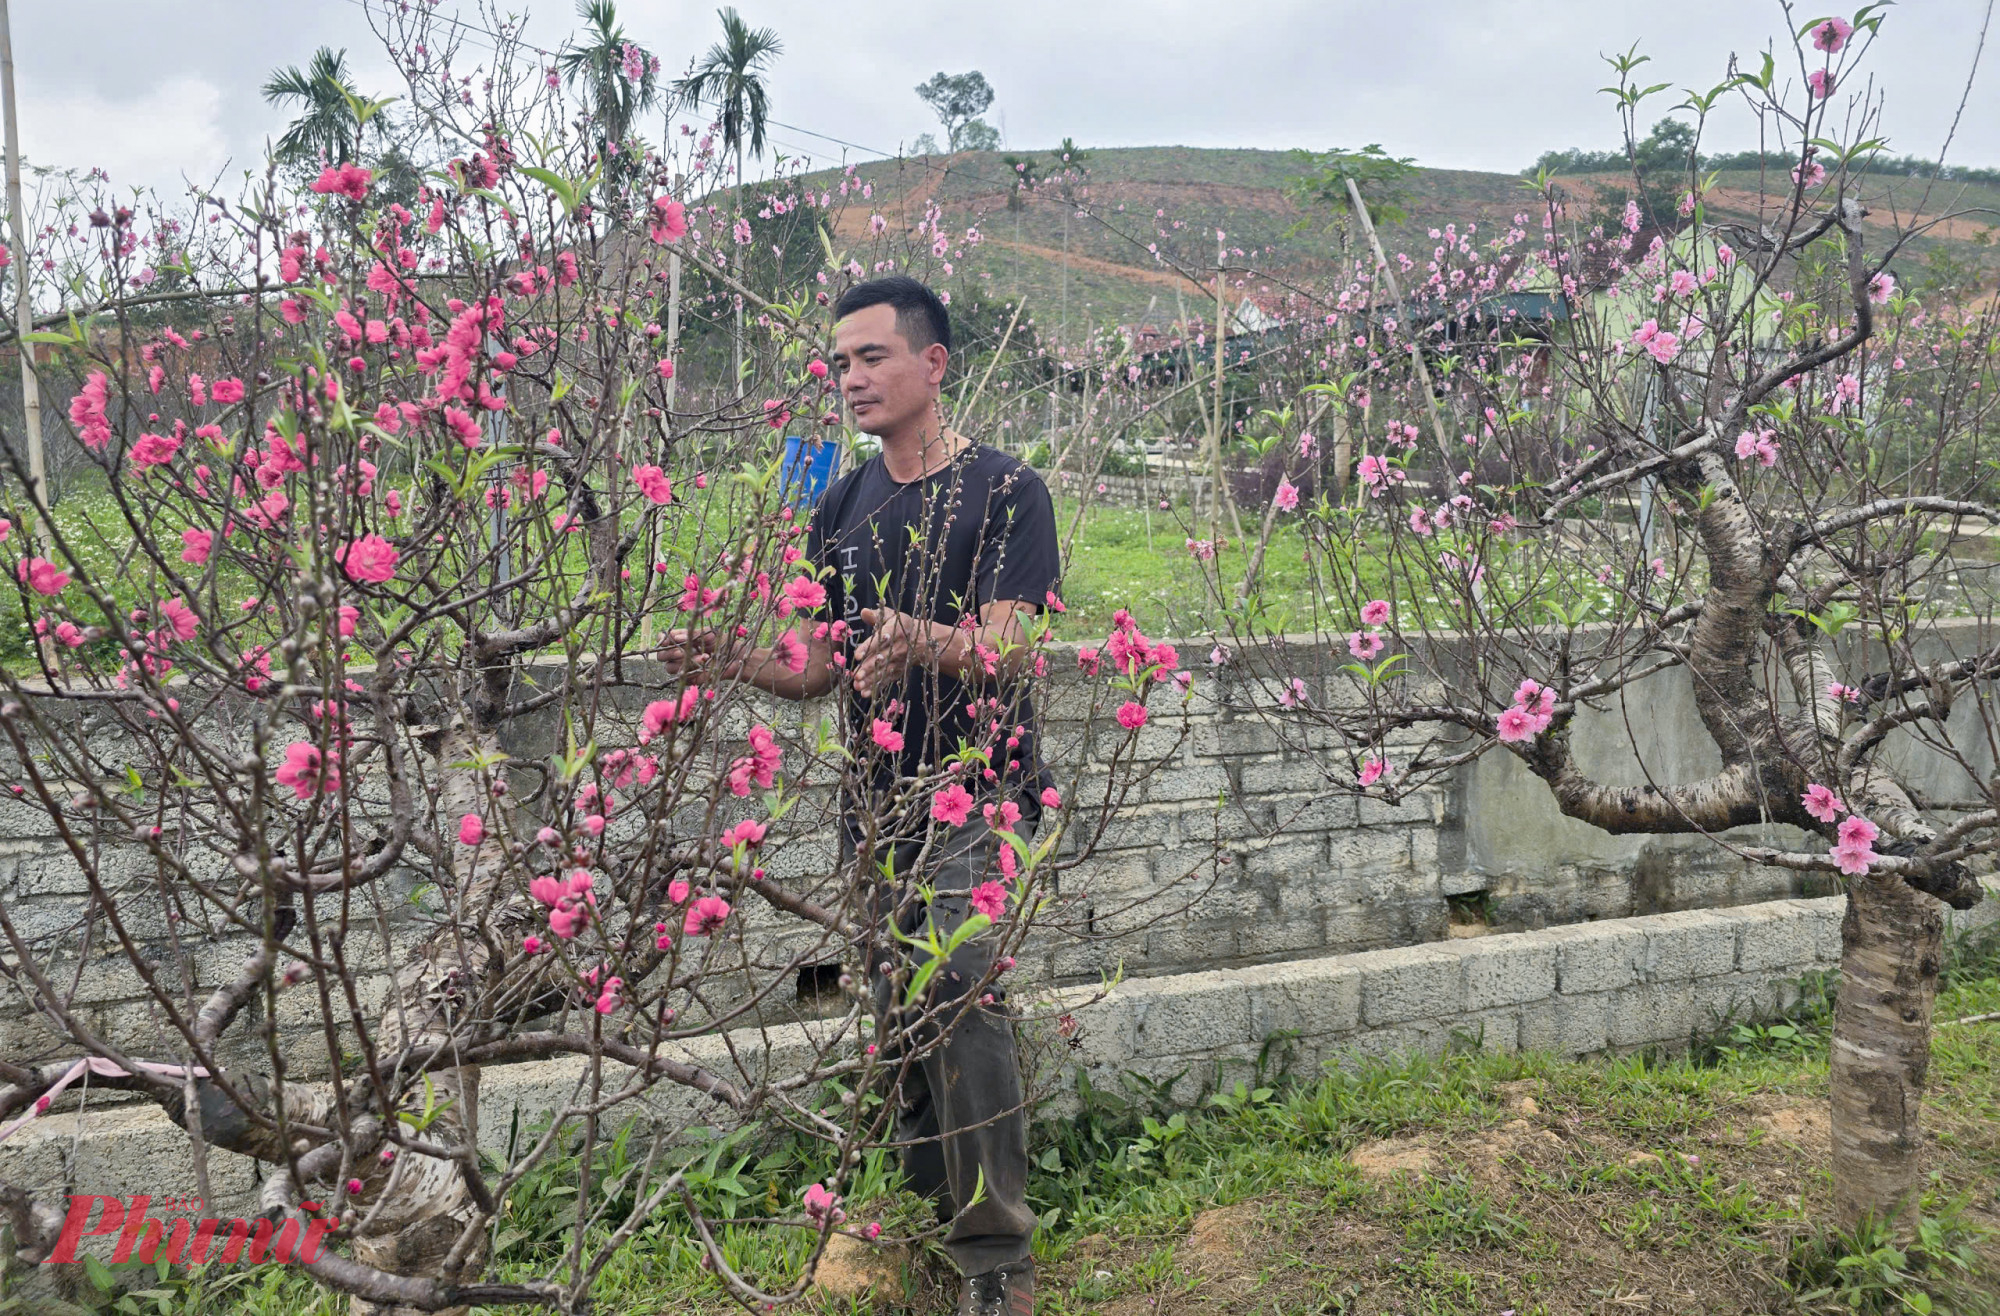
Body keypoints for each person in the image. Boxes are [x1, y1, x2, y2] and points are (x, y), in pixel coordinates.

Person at [664, 275, 1057, 1316]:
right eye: (839, 362)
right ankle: (927, 1217)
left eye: (871, 357)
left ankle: (995, 1259)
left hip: (977, 790)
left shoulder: (1007, 490)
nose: (850, 378)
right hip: (879, 802)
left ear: (933, 362)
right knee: (901, 1012)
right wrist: (728, 658)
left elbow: (1012, 644)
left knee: (961, 988)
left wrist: (922, 638)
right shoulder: (841, 502)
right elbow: (813, 665)